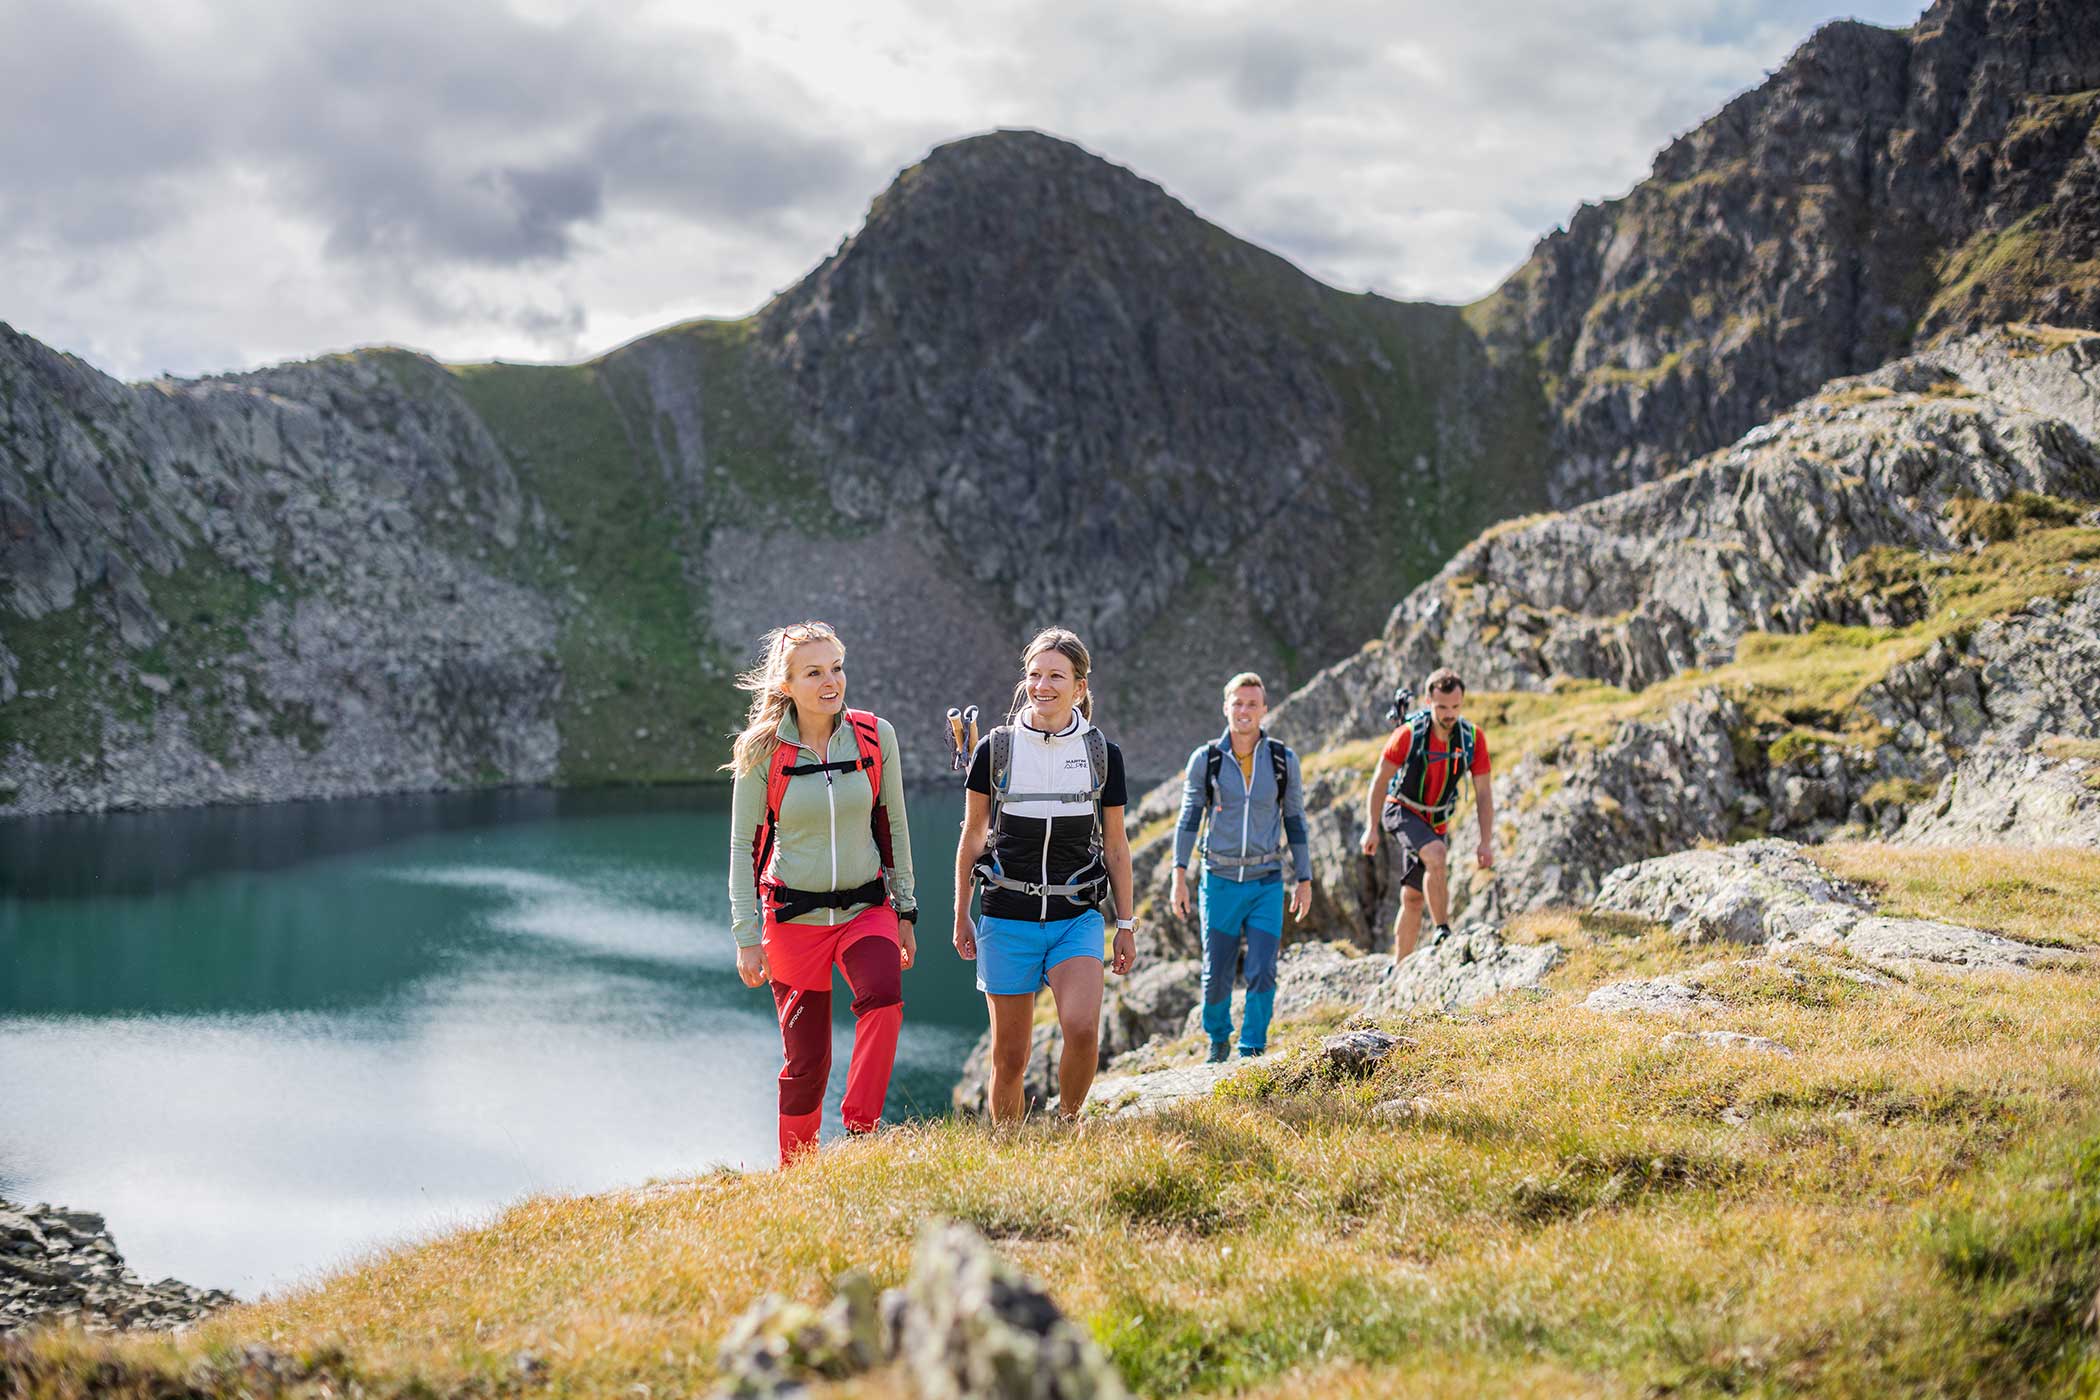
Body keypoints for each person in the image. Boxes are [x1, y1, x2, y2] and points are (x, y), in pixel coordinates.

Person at [726, 622, 917, 1165]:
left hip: (866, 909)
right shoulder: (762, 752)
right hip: (791, 921)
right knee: (807, 1064)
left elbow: (895, 825)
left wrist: (905, 908)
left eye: (837, 667)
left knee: (884, 996)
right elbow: (742, 847)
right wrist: (746, 936)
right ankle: (797, 1172)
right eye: (814, 672)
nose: (831, 681)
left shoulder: (875, 736)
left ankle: (861, 1129)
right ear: (786, 684)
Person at [952, 627, 1137, 1122]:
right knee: (1010, 1057)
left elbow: (1116, 847)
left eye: (1057, 676)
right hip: (1005, 918)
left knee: (1081, 1029)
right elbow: (972, 838)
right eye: (1035, 674)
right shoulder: (996, 749)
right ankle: (1008, 1149)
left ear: (1079, 687)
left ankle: (1067, 1124)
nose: (1043, 685)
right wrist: (960, 916)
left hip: (1075, 916)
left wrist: (1126, 924)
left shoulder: (1102, 755)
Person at [1169, 672, 1312, 1062]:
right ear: (1225, 707)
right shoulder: (1207, 759)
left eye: (1252, 704)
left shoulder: (1283, 760)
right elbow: (1188, 819)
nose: (1245, 711)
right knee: (1216, 977)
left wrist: (1305, 878)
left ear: (1265, 709)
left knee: (1263, 970)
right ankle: (1218, 1039)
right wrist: (1178, 875)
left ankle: (1252, 1048)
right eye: (1238, 703)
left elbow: (1295, 820)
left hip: (1266, 880)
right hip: (1219, 880)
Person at [1358, 667, 1494, 960]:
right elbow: (1380, 779)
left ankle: (1398, 967)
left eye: (1456, 707)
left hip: (1437, 818)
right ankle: (1442, 930)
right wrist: (1371, 827)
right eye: (1442, 707)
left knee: (1413, 896)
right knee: (1436, 854)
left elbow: (1484, 793)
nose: (1449, 713)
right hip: (1401, 809)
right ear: (1428, 701)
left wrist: (1485, 841)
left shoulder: (1472, 738)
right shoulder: (1408, 735)